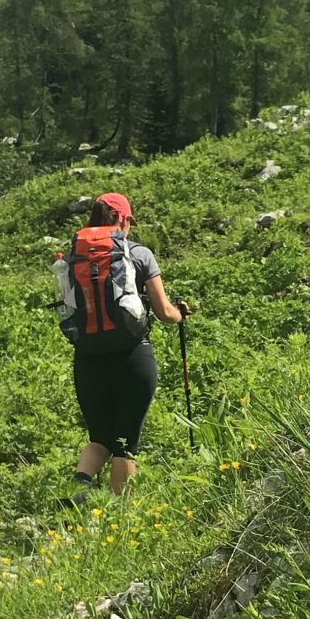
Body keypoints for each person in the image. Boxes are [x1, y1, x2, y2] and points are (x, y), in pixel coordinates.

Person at [54, 192, 186, 501]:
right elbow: (165, 313)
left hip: (88, 359)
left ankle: (82, 484)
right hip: (132, 357)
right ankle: (118, 516)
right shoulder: (139, 255)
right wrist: (180, 313)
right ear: (123, 220)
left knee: (99, 437)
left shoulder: (74, 256)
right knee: (126, 443)